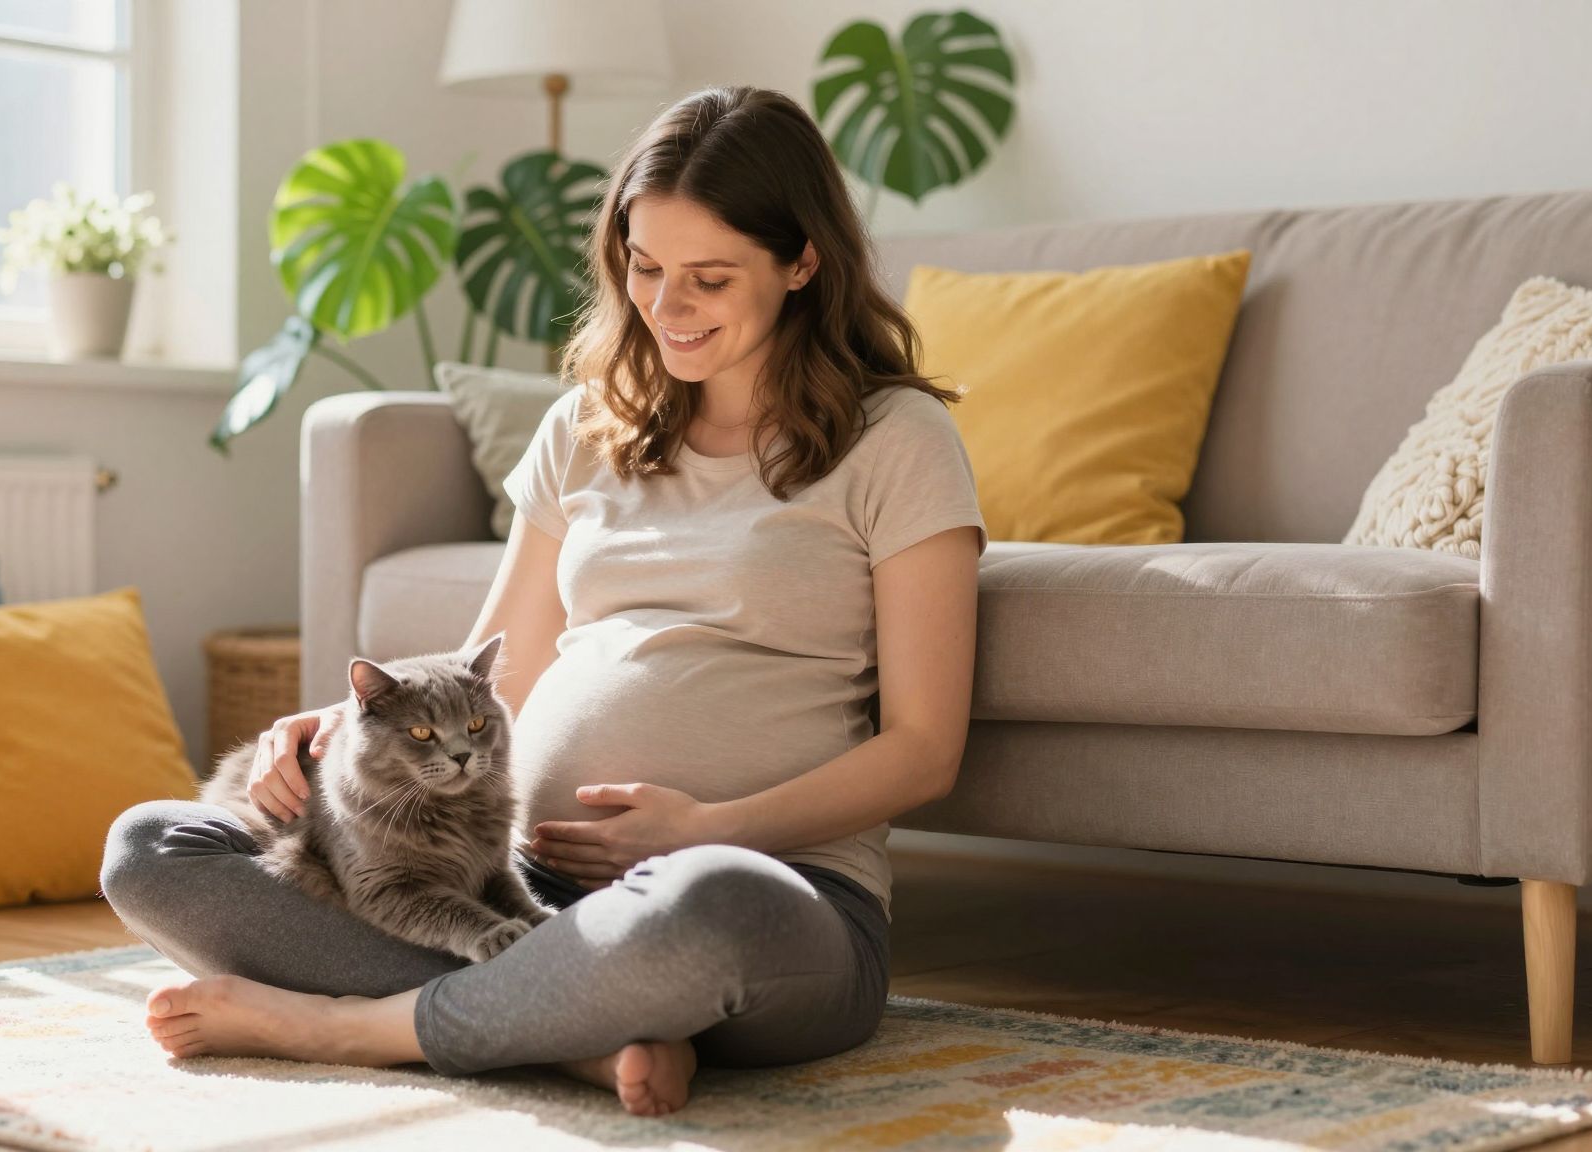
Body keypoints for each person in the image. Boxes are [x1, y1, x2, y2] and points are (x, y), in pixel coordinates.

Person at [99, 84, 987, 1118]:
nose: (665, 307)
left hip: (764, 892)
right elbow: (491, 661)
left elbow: (924, 748)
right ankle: (571, 1030)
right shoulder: (584, 426)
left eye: (708, 278)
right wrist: (349, 738)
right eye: (644, 269)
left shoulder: (897, 441)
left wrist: (708, 827)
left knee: (702, 910)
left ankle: (361, 1026)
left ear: (801, 263)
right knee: (153, 848)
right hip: (505, 891)